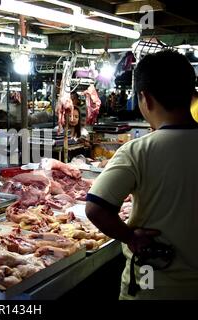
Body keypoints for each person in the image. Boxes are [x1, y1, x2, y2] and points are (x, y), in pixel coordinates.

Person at [85, 50, 198, 300]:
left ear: (145, 99)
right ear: (192, 95)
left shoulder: (137, 151)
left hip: (152, 287)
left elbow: (95, 208)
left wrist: (128, 236)